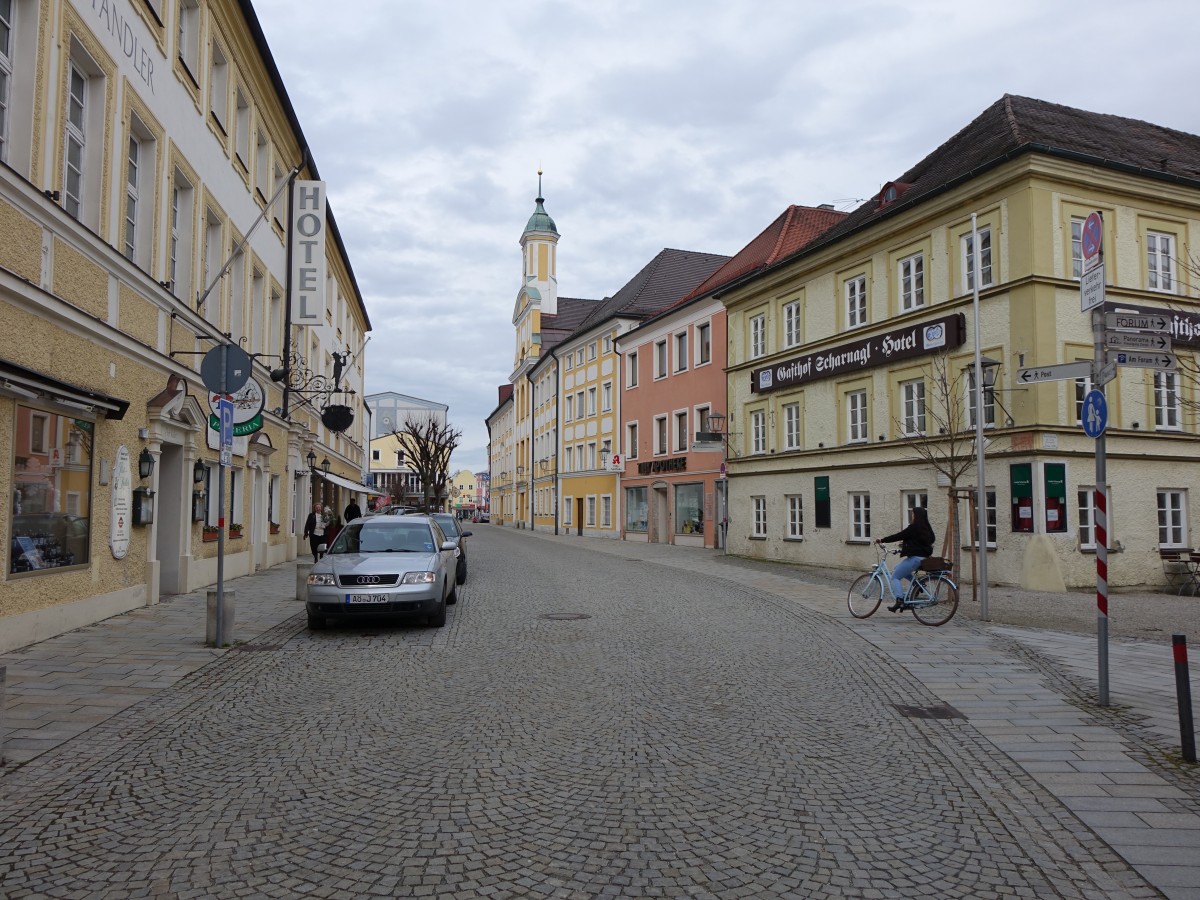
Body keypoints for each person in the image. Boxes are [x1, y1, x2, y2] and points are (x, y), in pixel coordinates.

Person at [876, 507, 935, 612]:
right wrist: (906, 548)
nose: (911, 516)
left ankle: (899, 600)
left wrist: (882, 540)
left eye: (912, 514)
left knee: (895, 576)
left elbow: (899, 536)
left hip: (915, 559)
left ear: (916, 516)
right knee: (897, 567)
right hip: (923, 559)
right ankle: (917, 585)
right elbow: (922, 543)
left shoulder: (913, 528)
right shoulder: (926, 528)